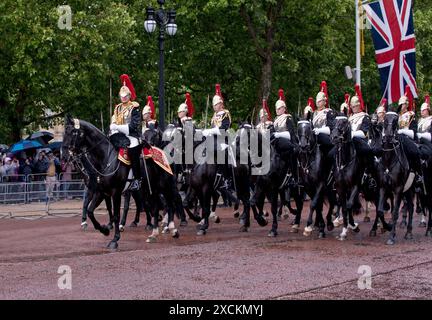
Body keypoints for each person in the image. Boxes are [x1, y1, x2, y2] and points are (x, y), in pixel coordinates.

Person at [110, 74, 142, 191]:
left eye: (125, 96)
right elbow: (114, 119)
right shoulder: (117, 107)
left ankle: (137, 179)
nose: (123, 98)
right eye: (121, 96)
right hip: (119, 135)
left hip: (132, 135)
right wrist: (113, 127)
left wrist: (118, 127)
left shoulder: (134, 107)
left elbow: (134, 125)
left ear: (129, 95)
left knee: (133, 150)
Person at [202, 84, 231, 187]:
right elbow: (212, 128)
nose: (214, 106)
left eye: (216, 104)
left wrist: (211, 131)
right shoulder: (214, 116)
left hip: (223, 139)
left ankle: (226, 177)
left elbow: (224, 128)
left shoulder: (225, 113)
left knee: (224, 154)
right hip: (213, 139)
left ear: (221, 104)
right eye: (214, 105)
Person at [397, 85, 423, 183]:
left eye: (402, 104)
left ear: (407, 105)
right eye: (400, 105)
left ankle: (418, 174)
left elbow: (413, 132)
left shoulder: (411, 115)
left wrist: (402, 131)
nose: (401, 106)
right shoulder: (397, 116)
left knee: (414, 152)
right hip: (397, 139)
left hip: (408, 138)